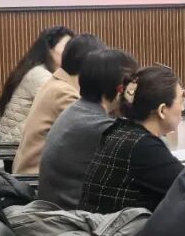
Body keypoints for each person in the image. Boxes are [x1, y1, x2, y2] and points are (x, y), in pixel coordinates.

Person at [37, 48, 138, 208]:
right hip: (73, 216)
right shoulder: (99, 126)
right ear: (121, 89)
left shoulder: (78, 110)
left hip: (58, 209)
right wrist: (139, 108)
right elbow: (150, 147)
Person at [77, 65, 185, 213]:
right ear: (162, 110)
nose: (183, 108)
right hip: (118, 228)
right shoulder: (144, 147)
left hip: (102, 225)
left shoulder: (118, 130)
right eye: (181, 101)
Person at [13, 33, 104, 174]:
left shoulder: (57, 82)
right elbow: (94, 134)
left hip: (39, 173)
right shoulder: (64, 93)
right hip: (36, 177)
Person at [0, 26, 74, 144]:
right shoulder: (40, 75)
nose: (71, 53)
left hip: (20, 144)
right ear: (49, 50)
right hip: (15, 148)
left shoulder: (42, 71)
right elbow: (71, 111)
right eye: (67, 47)